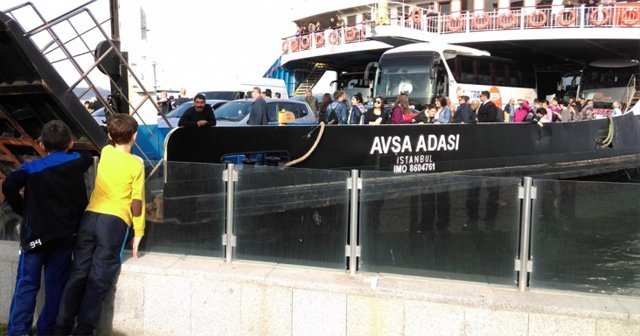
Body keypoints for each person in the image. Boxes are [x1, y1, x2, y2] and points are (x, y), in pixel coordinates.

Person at [55, 114, 146, 335]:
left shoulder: (106, 152)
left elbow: (111, 142)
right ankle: (84, 331)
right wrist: (138, 232)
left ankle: (62, 327)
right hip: (113, 222)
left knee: (78, 274)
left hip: (90, 217)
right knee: (98, 278)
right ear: (135, 135)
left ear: (109, 135)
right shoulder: (137, 164)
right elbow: (137, 201)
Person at [3, 120, 93, 336]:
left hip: (35, 237)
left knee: (27, 285)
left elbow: (8, 185)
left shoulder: (31, 169)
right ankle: (47, 330)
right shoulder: (79, 160)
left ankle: (18, 332)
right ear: (70, 143)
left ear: (42, 145)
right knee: (55, 287)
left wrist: (22, 208)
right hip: (65, 235)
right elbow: (88, 156)